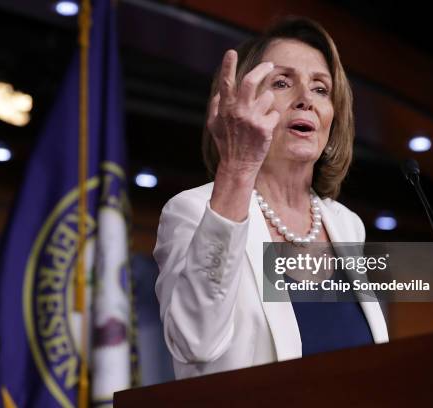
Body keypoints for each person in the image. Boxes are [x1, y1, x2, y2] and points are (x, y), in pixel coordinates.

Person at [153, 17, 388, 380]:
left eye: (321, 89)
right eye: (282, 82)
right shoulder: (193, 211)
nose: (306, 99)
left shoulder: (346, 224)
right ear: (239, 106)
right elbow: (194, 344)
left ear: (333, 117)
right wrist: (238, 167)